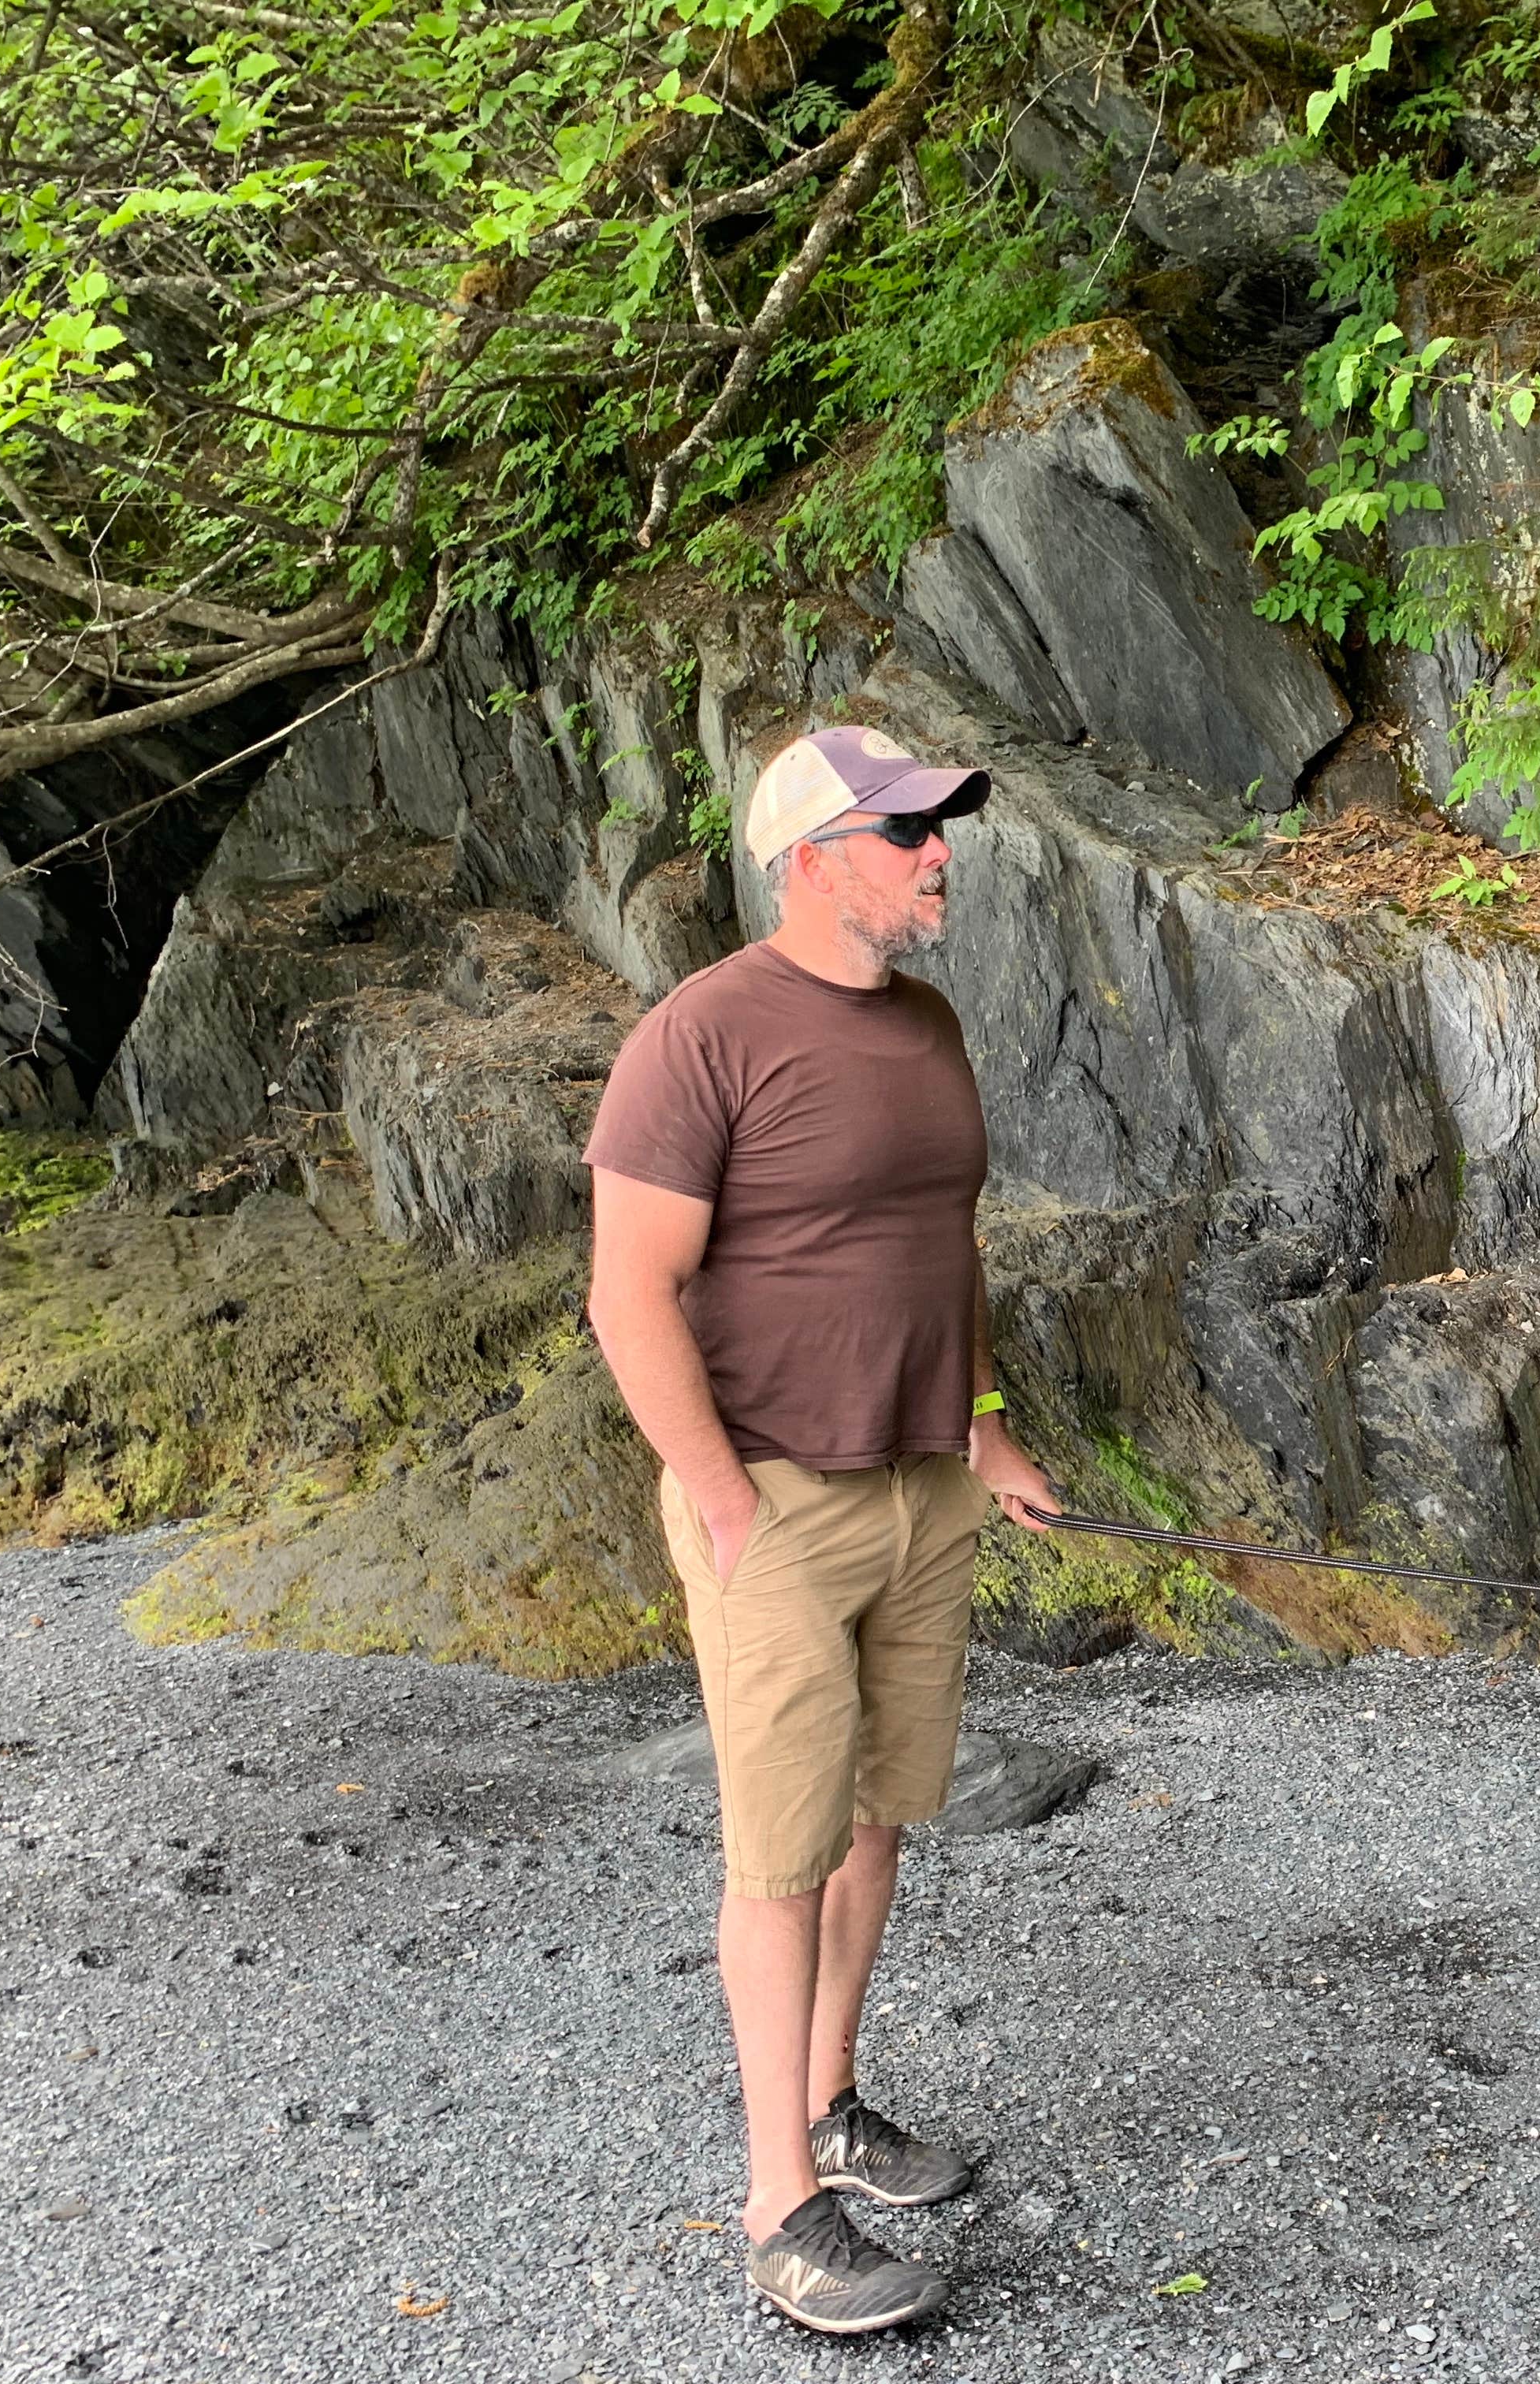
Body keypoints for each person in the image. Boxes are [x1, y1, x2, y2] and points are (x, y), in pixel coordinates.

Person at [583, 725, 1056, 2336]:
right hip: (774, 1499)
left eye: (940, 829)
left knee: (877, 1821)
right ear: (813, 860)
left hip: (923, 1486)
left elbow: (944, 1246)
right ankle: (780, 2206)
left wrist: (983, 1428)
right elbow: (629, 1293)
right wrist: (721, 1497)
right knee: (781, 1858)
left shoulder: (927, 1027)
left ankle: (833, 2105)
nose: (941, 855)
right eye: (909, 832)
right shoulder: (699, 1038)